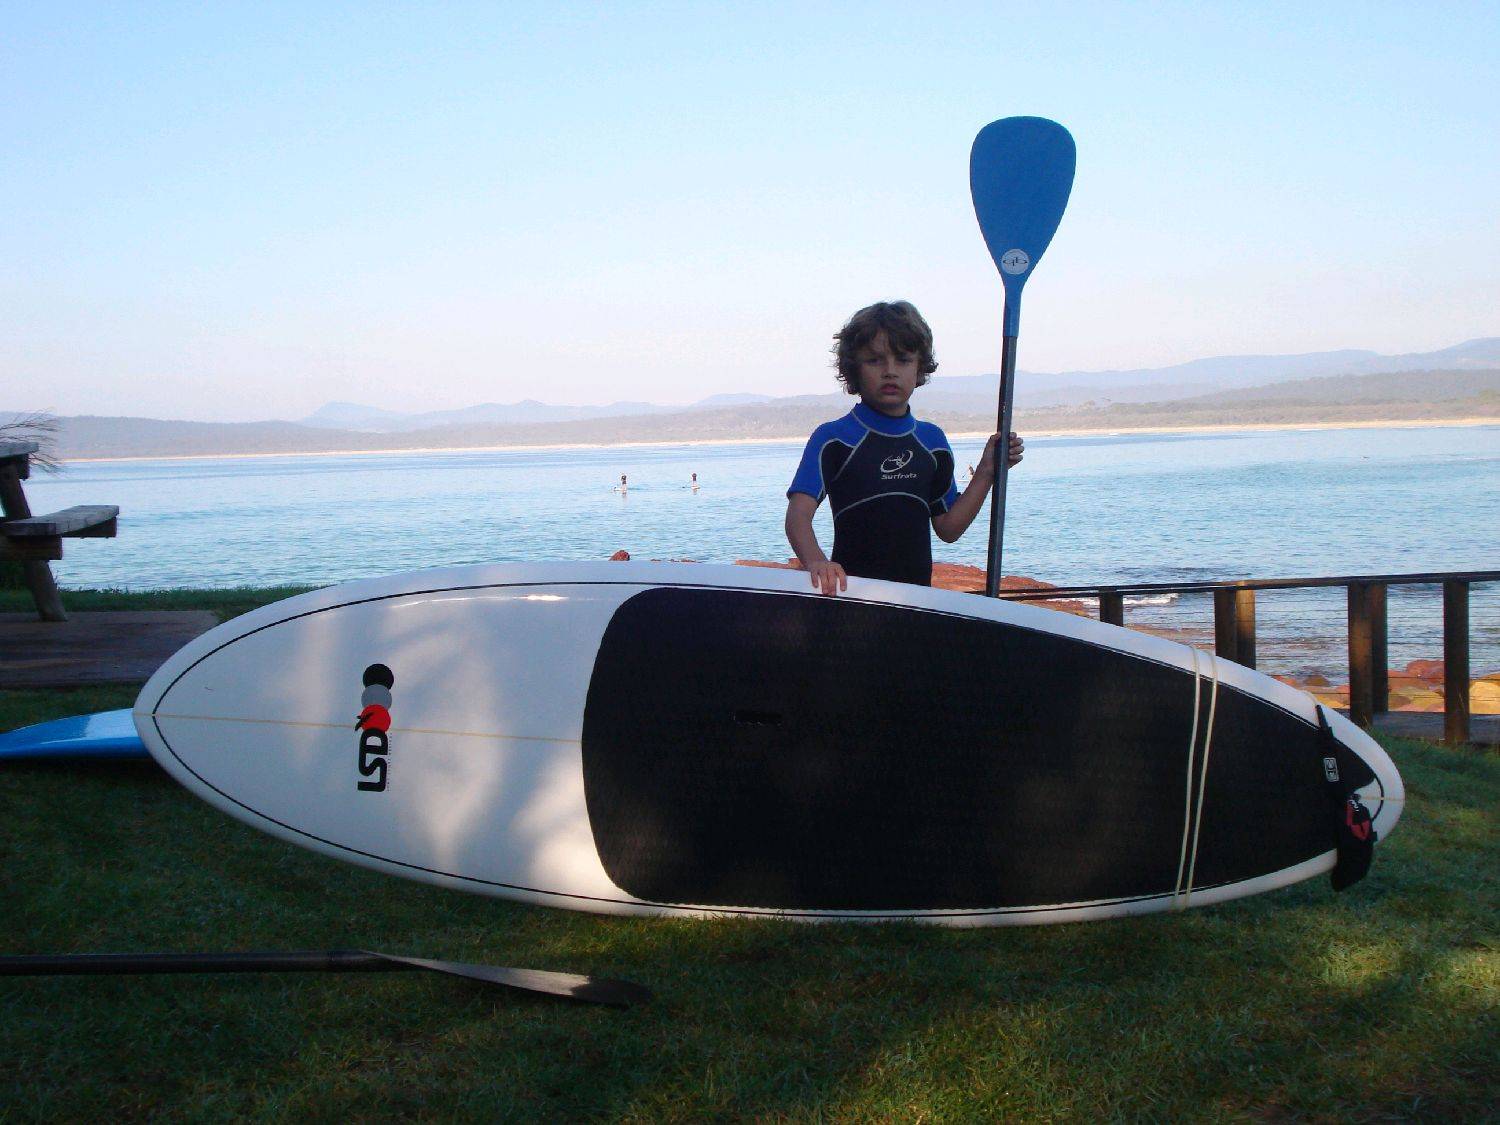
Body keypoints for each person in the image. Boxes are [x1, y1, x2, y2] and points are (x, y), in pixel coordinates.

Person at [785, 300, 1023, 595]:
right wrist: (817, 562)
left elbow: (949, 528)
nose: (890, 371)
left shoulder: (932, 442)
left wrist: (987, 472)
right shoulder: (834, 439)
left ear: (920, 368)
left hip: (915, 603)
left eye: (903, 360)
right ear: (854, 369)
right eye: (874, 360)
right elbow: (798, 517)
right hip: (852, 601)